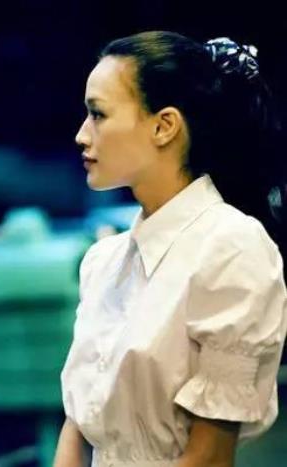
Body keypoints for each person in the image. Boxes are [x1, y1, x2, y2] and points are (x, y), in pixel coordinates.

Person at [53, 31, 287, 467]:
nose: (82, 135)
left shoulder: (232, 248)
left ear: (164, 126)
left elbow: (209, 459)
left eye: (98, 114)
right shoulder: (103, 261)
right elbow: (78, 427)